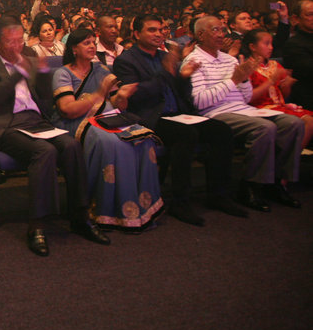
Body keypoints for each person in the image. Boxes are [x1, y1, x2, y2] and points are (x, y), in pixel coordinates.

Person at [0, 16, 109, 256]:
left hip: (36, 120)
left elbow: (46, 96)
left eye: (19, 41)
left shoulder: (31, 58)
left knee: (71, 145)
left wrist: (43, 70)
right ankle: (37, 225)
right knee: (43, 151)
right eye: (10, 42)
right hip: (7, 126)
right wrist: (19, 71)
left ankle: (80, 216)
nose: (16, 47)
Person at [112, 14, 245, 226]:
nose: (158, 34)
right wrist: (166, 72)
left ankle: (219, 195)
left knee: (221, 131)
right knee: (186, 135)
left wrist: (183, 77)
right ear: (136, 34)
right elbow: (136, 95)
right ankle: (180, 201)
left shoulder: (163, 56)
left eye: (160, 30)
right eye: (151, 30)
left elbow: (182, 92)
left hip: (180, 113)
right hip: (152, 117)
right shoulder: (126, 60)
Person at [185, 16, 303, 211]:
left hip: (243, 110)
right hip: (216, 113)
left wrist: (245, 79)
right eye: (215, 30)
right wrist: (232, 81)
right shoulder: (193, 61)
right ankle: (250, 186)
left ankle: (276, 182)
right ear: (200, 35)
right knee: (265, 128)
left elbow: (246, 97)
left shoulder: (229, 59)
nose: (221, 35)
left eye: (222, 30)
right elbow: (199, 102)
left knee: (294, 124)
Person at [51, 28, 162, 231]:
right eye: (86, 43)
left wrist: (123, 97)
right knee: (111, 143)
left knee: (143, 139)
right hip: (78, 121)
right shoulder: (63, 73)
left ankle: (140, 210)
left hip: (109, 119)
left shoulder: (101, 70)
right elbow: (67, 110)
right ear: (74, 49)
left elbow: (117, 105)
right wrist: (99, 93)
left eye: (94, 42)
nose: (92, 46)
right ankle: (106, 209)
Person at [242, 29, 313, 149]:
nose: (270, 47)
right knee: (309, 122)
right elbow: (249, 98)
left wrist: (287, 85)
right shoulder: (246, 67)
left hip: (279, 106)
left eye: (271, 44)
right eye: (266, 44)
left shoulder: (275, 65)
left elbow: (282, 96)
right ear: (252, 47)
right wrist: (271, 81)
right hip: (259, 108)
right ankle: (291, 158)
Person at [283, 0, 313, 110]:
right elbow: (308, 71)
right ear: (296, 19)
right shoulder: (294, 44)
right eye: (310, 15)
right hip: (307, 95)